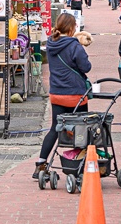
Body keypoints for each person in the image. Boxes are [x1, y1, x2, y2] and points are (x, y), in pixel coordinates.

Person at [34, 13, 92, 179]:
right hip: (76, 95)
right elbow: (86, 67)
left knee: (55, 128)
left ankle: (41, 163)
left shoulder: (51, 43)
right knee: (80, 129)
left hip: (57, 94)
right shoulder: (75, 46)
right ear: (72, 28)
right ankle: (77, 164)